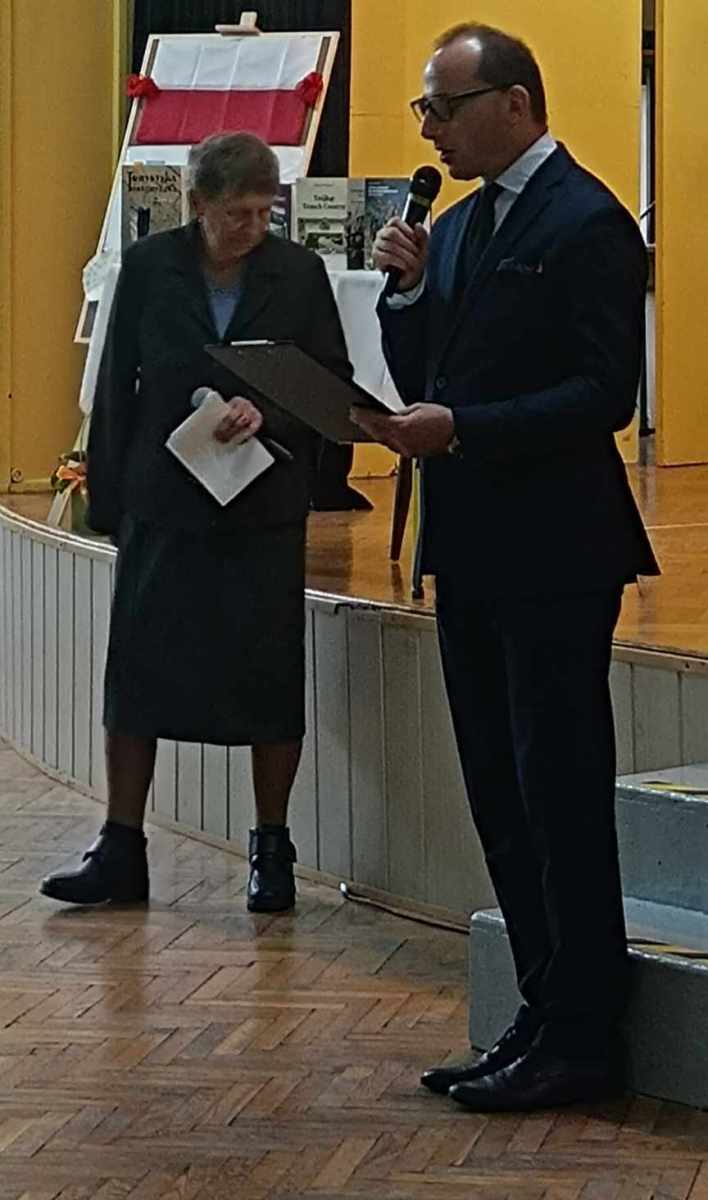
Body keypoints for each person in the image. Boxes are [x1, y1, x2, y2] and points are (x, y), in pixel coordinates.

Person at [353, 24, 659, 1111]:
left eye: (445, 106)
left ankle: (585, 1034)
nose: (430, 129)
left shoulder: (588, 221)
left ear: (516, 104)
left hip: (557, 550)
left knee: (556, 790)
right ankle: (541, 1008)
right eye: (425, 110)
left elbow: (603, 396)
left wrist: (465, 429)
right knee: (497, 788)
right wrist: (404, 298)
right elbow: (428, 375)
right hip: (472, 545)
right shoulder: (464, 223)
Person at [40, 132, 353, 914]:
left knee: (269, 677)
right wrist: (108, 502)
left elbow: (331, 385)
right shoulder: (149, 268)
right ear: (198, 204)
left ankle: (272, 848)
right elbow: (117, 386)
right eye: (237, 213)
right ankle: (120, 845)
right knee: (137, 676)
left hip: (260, 505)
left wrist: (268, 409)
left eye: (265, 212)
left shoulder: (299, 273)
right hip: (165, 500)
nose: (253, 227)